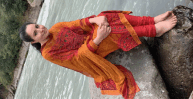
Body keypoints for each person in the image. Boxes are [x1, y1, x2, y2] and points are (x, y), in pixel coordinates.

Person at [19, 10, 177, 99]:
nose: (41, 29)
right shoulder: (48, 53)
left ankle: (151, 20)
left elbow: (78, 24)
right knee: (112, 32)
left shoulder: (56, 27)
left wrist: (95, 20)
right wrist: (99, 38)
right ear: (34, 42)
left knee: (107, 17)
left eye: (38, 26)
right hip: (91, 55)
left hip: (91, 40)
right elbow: (77, 59)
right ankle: (154, 30)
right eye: (36, 32)